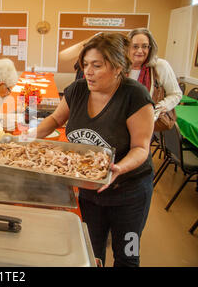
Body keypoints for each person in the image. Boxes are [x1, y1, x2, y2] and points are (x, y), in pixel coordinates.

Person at [32, 33, 154, 267]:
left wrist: (119, 167)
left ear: (118, 67)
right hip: (90, 189)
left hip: (131, 192)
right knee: (91, 249)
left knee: (128, 255)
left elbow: (141, 147)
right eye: (86, 64)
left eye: (97, 66)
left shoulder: (134, 95)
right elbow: (56, 118)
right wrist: (27, 138)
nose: (88, 71)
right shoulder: (78, 90)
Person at [127, 28, 182, 113]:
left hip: (151, 120)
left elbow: (176, 94)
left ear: (150, 48)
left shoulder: (160, 66)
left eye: (144, 46)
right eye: (135, 46)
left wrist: (157, 108)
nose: (140, 51)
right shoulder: (121, 67)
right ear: (127, 48)